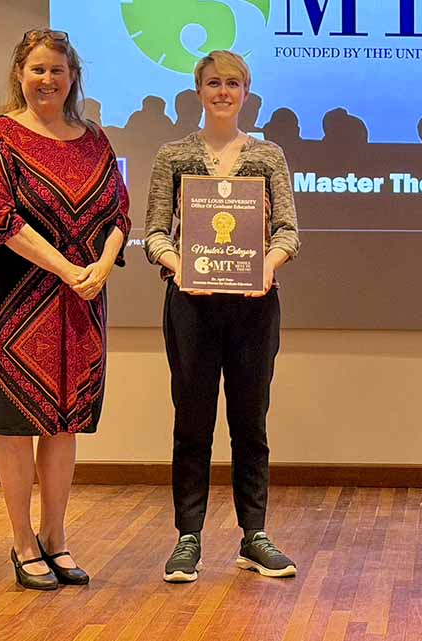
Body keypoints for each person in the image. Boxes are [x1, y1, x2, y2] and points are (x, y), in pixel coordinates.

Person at [0, 28, 130, 590]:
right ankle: (21, 543)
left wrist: (103, 266)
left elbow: (120, 217)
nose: (48, 80)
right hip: (17, 307)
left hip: (82, 304)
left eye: (57, 71)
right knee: (16, 426)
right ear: (20, 74)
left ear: (72, 78)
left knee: (65, 426)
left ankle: (56, 538)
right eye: (38, 69)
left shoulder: (94, 140)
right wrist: (67, 269)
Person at [144, 50, 300, 583]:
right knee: (192, 423)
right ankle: (188, 537)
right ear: (198, 90)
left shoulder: (268, 156)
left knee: (250, 423)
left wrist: (268, 266)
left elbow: (288, 233)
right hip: (190, 305)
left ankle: (254, 535)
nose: (223, 92)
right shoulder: (173, 156)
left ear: (247, 91)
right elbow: (156, 233)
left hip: (255, 307)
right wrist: (177, 264)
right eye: (214, 83)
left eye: (233, 83)